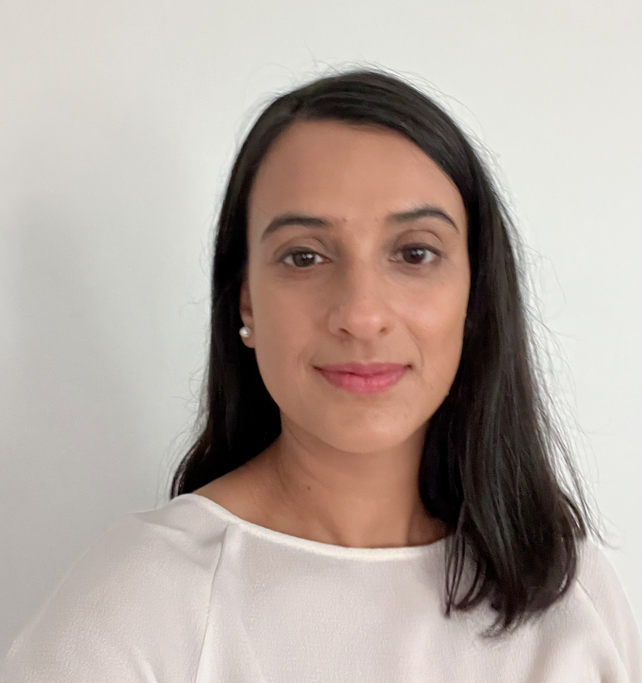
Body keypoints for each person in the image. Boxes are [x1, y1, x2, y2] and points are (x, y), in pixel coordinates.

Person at [2, 67, 641, 683]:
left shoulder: (573, 593)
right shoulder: (141, 604)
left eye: (415, 252)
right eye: (304, 257)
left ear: (475, 296)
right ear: (246, 303)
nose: (361, 315)